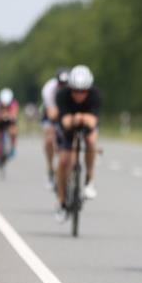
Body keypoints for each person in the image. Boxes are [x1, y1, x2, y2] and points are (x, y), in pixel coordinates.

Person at [54, 65, 101, 221]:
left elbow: (93, 121)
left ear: (89, 89)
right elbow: (65, 122)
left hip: (87, 125)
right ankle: (61, 202)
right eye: (75, 91)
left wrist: (82, 119)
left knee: (91, 141)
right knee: (64, 161)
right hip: (68, 126)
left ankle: (89, 179)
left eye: (83, 91)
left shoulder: (95, 95)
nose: (79, 95)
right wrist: (76, 119)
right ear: (70, 88)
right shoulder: (62, 95)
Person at [41, 67, 70, 189]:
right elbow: (52, 114)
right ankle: (50, 167)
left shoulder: (74, 89)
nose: (63, 87)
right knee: (49, 139)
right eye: (60, 84)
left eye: (65, 84)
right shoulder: (49, 89)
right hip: (52, 113)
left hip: (67, 113)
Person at [0, 88, 19, 166]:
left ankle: (13, 148)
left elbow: (14, 114)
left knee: (13, 131)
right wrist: (0, 116)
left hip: (9, 120)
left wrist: (10, 115)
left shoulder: (14, 103)